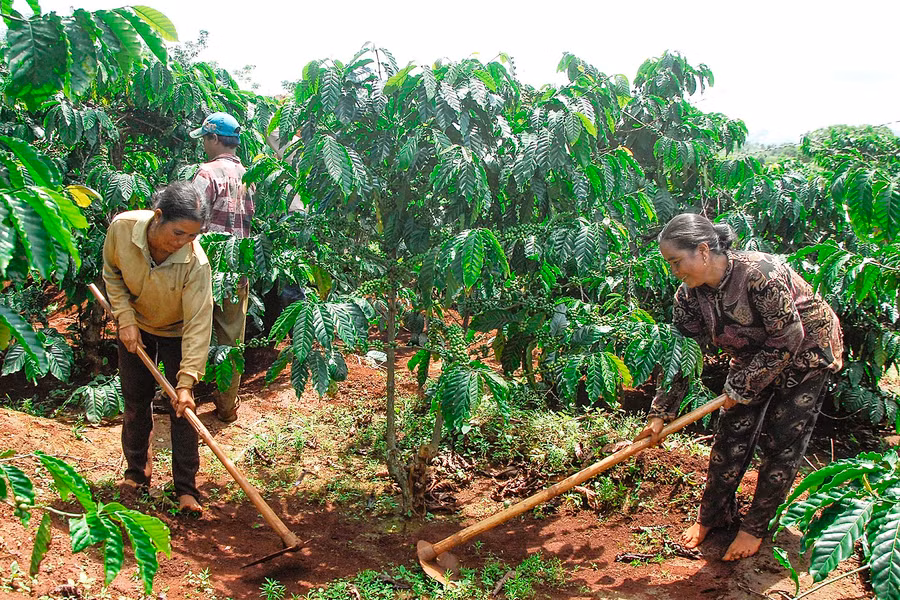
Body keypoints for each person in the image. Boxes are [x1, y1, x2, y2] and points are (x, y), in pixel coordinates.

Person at [635, 213, 843, 561]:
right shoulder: (687, 297)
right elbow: (683, 354)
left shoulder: (759, 274)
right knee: (730, 435)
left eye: (675, 262)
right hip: (752, 355)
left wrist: (743, 386)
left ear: (703, 250)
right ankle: (714, 517)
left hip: (807, 353)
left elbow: (789, 336)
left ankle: (754, 528)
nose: (674, 272)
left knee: (781, 441)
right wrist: (661, 412)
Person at [102, 182, 214, 514]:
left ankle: (186, 490)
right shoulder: (122, 229)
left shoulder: (196, 263)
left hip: (178, 332)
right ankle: (137, 477)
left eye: (192, 236)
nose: (183, 242)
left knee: (183, 411)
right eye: (178, 233)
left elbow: (197, 322)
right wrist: (125, 318)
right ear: (158, 216)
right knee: (136, 402)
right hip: (136, 324)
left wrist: (186, 382)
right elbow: (113, 273)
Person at [189, 112, 255, 423]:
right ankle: (227, 406)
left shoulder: (206, 174)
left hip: (204, 267)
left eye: (205, 138)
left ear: (215, 139)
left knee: (188, 330)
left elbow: (190, 219)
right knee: (231, 339)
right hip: (237, 267)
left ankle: (179, 395)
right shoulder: (249, 174)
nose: (203, 144)